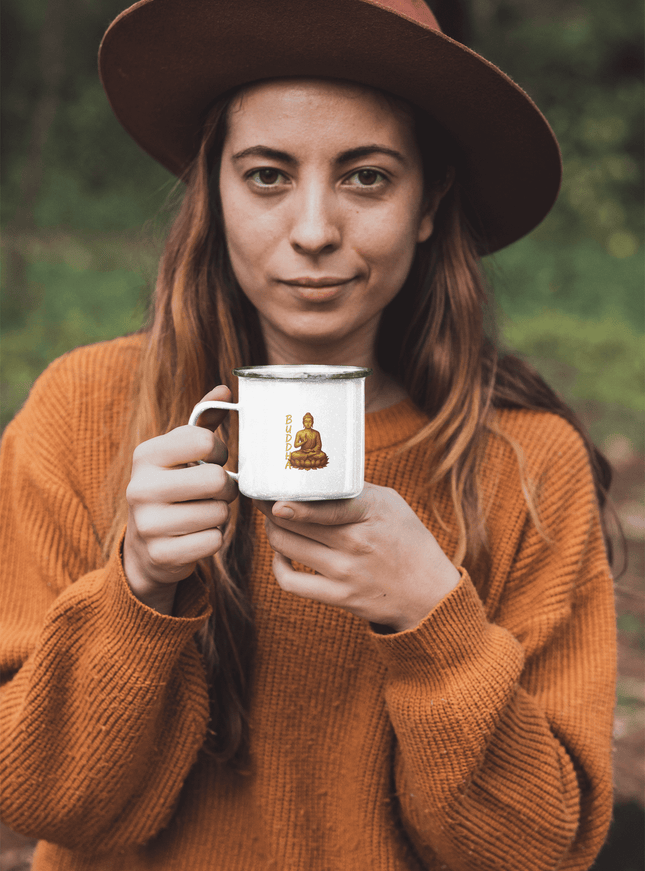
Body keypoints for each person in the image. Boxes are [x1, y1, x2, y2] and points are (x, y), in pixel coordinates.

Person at [0, 1, 616, 869]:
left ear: (429, 201)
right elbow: (41, 798)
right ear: (213, 191)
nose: (315, 231)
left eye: (366, 177)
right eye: (267, 175)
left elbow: (535, 848)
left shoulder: (527, 465)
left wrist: (434, 624)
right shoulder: (84, 412)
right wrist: (137, 589)